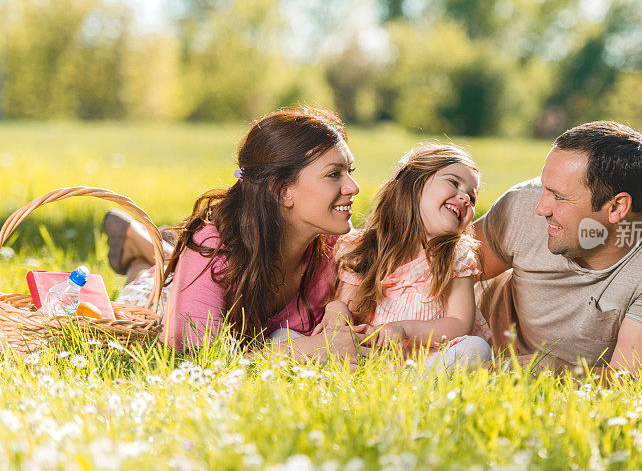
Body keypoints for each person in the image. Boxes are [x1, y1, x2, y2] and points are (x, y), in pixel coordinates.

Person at [105, 107, 370, 363]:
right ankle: (140, 248)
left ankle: (144, 248)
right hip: (162, 301)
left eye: (351, 171)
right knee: (153, 283)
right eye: (334, 174)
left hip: (204, 276)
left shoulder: (340, 249)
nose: (354, 187)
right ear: (282, 191)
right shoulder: (211, 247)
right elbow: (195, 358)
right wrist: (301, 349)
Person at [474, 121, 642, 380]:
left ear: (616, 207)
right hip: (477, 349)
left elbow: (633, 381)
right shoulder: (523, 205)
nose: (541, 208)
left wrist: (550, 370)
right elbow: (442, 268)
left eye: (558, 197)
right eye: (544, 188)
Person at [315, 144, 491, 370]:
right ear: (413, 184)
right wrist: (336, 313)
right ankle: (356, 373)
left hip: (422, 364)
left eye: (472, 198)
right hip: (369, 358)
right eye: (454, 183)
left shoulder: (456, 256)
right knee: (282, 337)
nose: (465, 198)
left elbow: (460, 324)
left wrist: (406, 329)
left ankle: (414, 383)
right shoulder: (364, 248)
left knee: (476, 348)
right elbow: (346, 304)